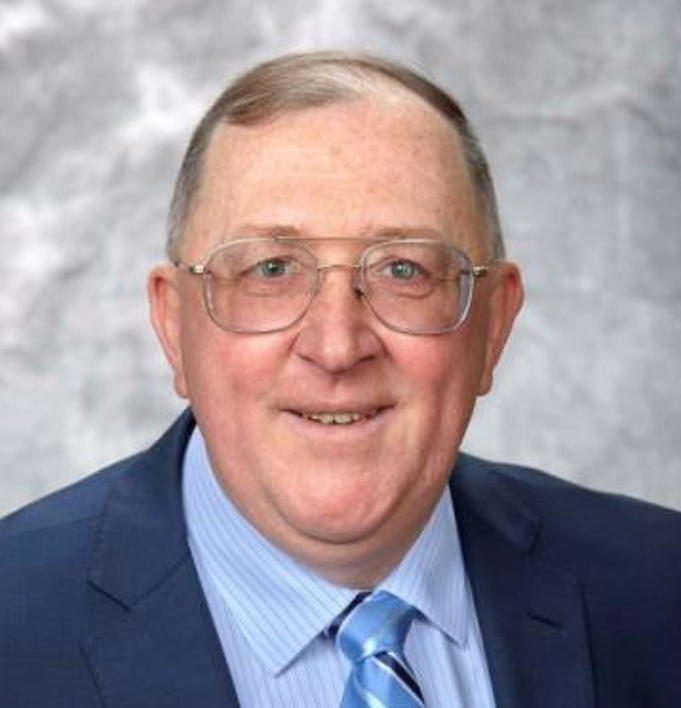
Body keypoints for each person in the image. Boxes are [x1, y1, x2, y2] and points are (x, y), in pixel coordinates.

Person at [1, 51, 679, 708]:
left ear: (493, 324)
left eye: (403, 270)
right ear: (174, 325)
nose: (336, 347)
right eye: (270, 270)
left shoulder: (659, 586)